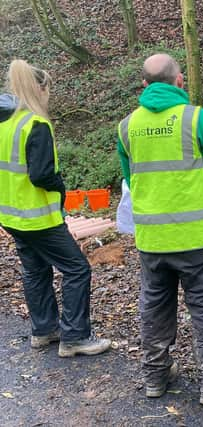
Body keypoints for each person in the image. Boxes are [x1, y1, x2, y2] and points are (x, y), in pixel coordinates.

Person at [117, 53, 203, 405]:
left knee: (154, 308)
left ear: (144, 85)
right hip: (198, 239)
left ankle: (155, 376)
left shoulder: (126, 126)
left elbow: (131, 179)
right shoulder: (198, 118)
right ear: (179, 81)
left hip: (152, 240)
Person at [0, 60, 111, 357]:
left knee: (35, 270)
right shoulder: (36, 124)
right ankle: (75, 337)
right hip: (38, 217)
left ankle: (44, 330)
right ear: (40, 88)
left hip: (11, 215)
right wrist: (60, 187)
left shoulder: (5, 123)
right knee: (77, 269)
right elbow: (41, 174)